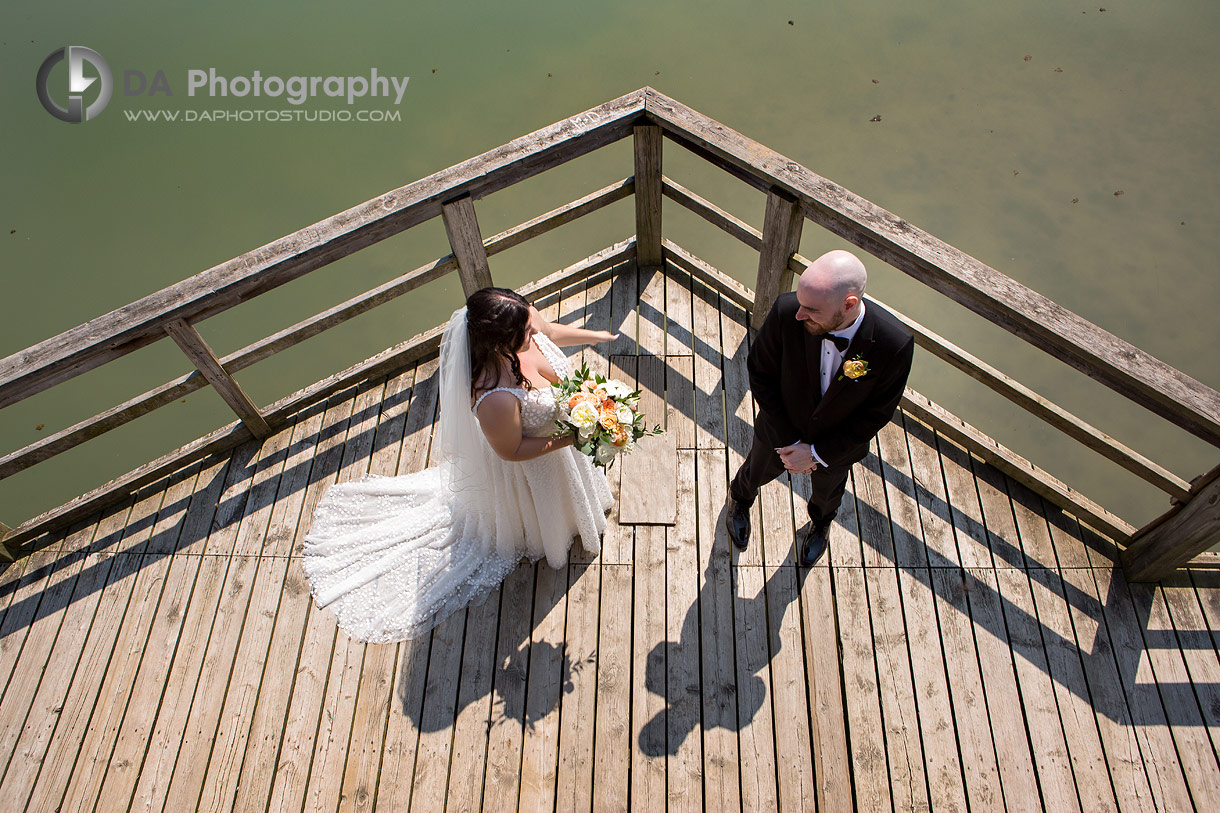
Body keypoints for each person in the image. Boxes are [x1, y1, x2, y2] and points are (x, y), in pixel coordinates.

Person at [303, 287, 616, 643]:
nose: (535, 332)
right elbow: (511, 451)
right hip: (536, 462)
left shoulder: (521, 319)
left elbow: (550, 330)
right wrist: (571, 438)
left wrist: (596, 335)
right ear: (499, 344)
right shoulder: (494, 396)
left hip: (563, 437)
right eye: (527, 332)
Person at [727, 250, 914, 566]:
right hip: (779, 429)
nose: (800, 315)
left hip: (837, 447)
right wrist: (790, 442)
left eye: (812, 309)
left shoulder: (892, 344)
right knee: (754, 471)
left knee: (829, 495)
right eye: (800, 303)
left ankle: (820, 525)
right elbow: (760, 372)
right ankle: (740, 501)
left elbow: (877, 414)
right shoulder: (788, 311)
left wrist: (816, 453)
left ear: (849, 305)